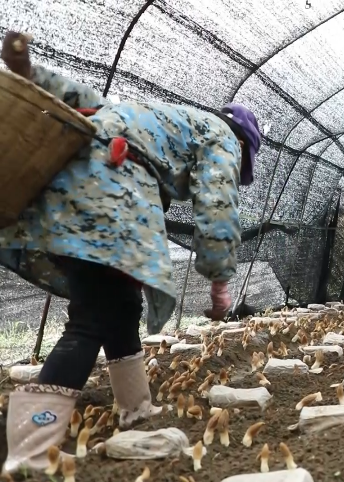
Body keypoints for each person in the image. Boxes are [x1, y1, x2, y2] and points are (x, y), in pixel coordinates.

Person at [0, 32, 260, 474]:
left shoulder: (154, 116)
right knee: (90, 319)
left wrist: (30, 73)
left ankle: (136, 408)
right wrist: (220, 280)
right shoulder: (221, 136)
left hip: (63, 198)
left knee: (119, 304)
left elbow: (82, 100)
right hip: (112, 202)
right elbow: (217, 203)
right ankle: (29, 447)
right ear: (243, 143)